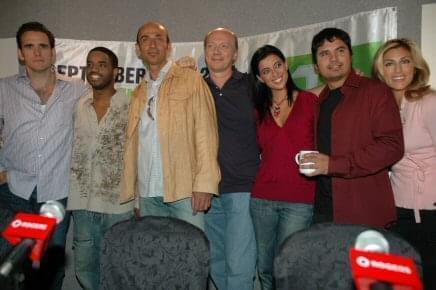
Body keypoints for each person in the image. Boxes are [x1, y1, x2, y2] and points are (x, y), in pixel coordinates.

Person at [0, 22, 88, 290]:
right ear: (20, 53)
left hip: (56, 197)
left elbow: (113, 102)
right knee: (11, 268)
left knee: (49, 272)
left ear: (53, 52)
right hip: (13, 193)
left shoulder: (78, 90)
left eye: (43, 46)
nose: (37, 52)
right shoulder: (3, 89)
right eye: (30, 46)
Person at [120, 21, 220, 230]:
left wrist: (204, 185)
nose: (152, 45)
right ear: (138, 49)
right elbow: (136, 146)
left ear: (169, 46)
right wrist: (137, 196)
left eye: (158, 38)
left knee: (191, 256)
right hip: (148, 194)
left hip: (184, 191)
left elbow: (206, 135)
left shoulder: (191, 79)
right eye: (145, 40)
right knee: (154, 259)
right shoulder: (138, 92)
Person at [303, 27, 404, 227]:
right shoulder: (318, 101)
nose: (333, 59)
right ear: (316, 66)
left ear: (351, 56)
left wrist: (333, 165)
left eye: (340, 51)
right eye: (325, 53)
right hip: (323, 210)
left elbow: (392, 146)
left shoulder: (375, 91)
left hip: (363, 210)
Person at [67, 47, 134, 290]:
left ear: (116, 71)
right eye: (90, 64)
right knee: (85, 269)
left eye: (102, 64)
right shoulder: (78, 106)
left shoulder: (130, 105)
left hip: (120, 205)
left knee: (119, 269)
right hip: (83, 204)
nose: (94, 69)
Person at [250, 45, 315, 289]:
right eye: (266, 70)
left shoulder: (310, 101)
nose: (275, 73)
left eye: (277, 65)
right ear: (259, 78)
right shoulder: (258, 111)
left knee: (288, 267)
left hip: (300, 200)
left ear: (286, 64)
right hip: (262, 200)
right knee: (265, 268)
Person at [372, 38, 436, 290]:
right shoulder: (382, 107)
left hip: (431, 213)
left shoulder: (429, 102)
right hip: (398, 212)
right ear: (380, 71)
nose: (398, 70)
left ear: (415, 66)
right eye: (389, 64)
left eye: (404, 62)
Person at [203, 27, 258, 290]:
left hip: (242, 187)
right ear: (204, 53)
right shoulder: (195, 88)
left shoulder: (252, 85)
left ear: (235, 54)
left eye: (224, 46)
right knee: (216, 263)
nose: (217, 51)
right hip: (206, 191)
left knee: (240, 265)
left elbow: (290, 96)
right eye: (211, 45)